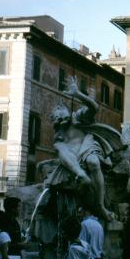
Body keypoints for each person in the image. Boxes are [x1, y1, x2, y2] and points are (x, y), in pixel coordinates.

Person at [46, 78, 114, 220]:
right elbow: (59, 149)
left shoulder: (78, 117)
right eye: (56, 114)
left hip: (87, 146)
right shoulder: (60, 137)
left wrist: (78, 94)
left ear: (68, 111)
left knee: (94, 162)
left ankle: (101, 206)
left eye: (61, 109)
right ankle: (81, 174)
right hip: (72, 155)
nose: (58, 113)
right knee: (59, 147)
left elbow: (93, 107)